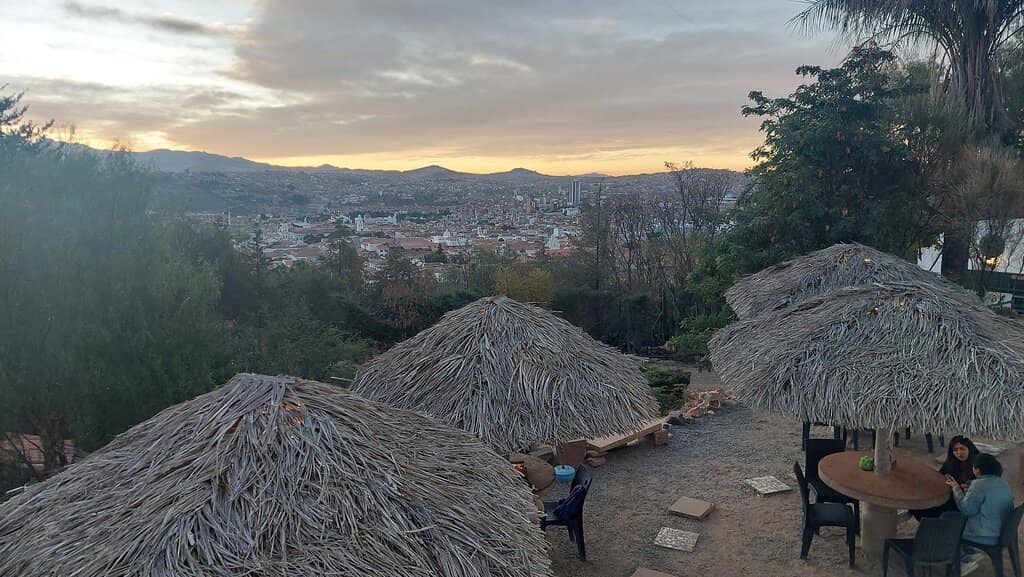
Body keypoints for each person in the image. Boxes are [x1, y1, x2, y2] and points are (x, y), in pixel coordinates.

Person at [946, 453, 1014, 546]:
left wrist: (955, 487)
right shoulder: (1003, 483)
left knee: (947, 519)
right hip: (1003, 532)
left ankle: (956, 553)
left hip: (986, 536)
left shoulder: (978, 486)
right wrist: (971, 488)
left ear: (977, 470)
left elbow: (966, 509)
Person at [911, 435, 979, 520]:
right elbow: (940, 477)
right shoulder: (951, 462)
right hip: (951, 498)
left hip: (968, 503)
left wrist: (966, 487)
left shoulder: (978, 463)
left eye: (962, 449)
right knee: (915, 508)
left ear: (969, 448)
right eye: (955, 450)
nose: (959, 453)